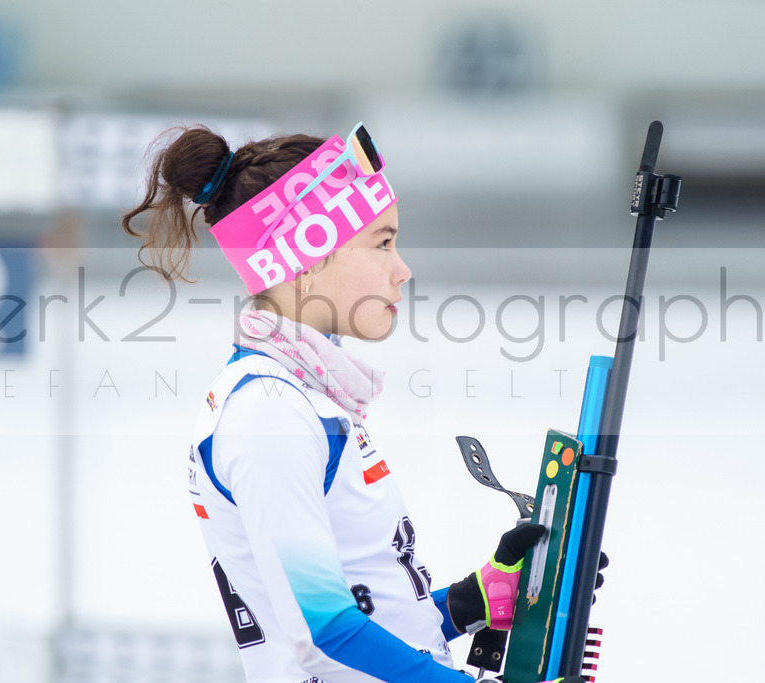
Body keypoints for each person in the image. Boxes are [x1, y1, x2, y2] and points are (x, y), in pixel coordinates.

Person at [122, 122, 567, 683]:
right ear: (307, 260)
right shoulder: (269, 413)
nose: (402, 269)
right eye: (382, 243)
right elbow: (323, 632)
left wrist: (472, 600)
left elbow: (367, 615)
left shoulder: (307, 396)